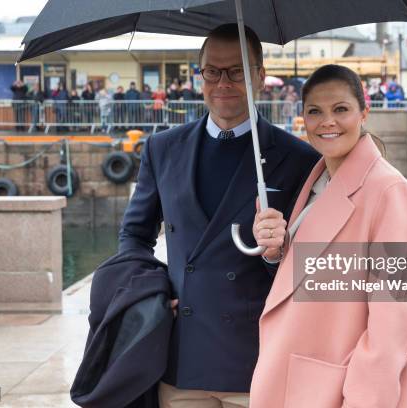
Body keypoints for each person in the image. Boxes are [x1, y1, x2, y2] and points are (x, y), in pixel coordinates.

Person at [118, 23, 320, 408]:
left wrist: (278, 250)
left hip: (259, 359)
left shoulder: (299, 159)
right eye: (213, 71)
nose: (223, 82)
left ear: (259, 76)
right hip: (183, 361)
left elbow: (310, 269)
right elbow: (133, 237)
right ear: (200, 75)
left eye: (237, 71)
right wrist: (151, 291)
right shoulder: (162, 149)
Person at [249, 65, 407, 408]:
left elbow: (391, 328)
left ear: (364, 113)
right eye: (314, 111)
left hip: (340, 389)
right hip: (301, 378)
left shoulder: (391, 193)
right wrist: (277, 250)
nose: (327, 122)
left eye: (340, 109)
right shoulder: (318, 181)